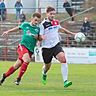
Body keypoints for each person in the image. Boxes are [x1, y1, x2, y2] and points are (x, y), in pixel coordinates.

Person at [0, 12, 42, 85]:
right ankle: (18, 79)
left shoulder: (38, 29)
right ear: (31, 18)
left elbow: (40, 38)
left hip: (30, 49)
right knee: (27, 60)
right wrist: (8, 31)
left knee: (17, 65)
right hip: (22, 46)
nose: (36, 22)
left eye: (38, 21)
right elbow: (18, 28)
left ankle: (4, 76)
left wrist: (38, 38)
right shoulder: (25, 24)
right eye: (35, 20)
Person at [39, 6, 76, 88]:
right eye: (51, 14)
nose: (52, 15)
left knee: (63, 58)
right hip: (46, 48)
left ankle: (65, 81)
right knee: (47, 67)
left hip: (56, 45)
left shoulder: (56, 22)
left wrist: (73, 34)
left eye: (54, 14)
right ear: (47, 13)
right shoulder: (43, 24)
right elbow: (40, 35)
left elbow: (62, 30)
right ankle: (44, 73)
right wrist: (42, 37)